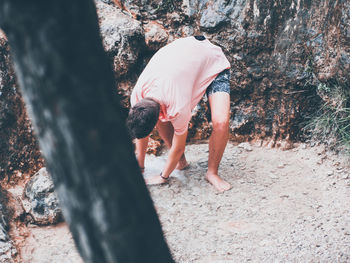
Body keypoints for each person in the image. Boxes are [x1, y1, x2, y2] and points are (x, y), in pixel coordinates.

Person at [127, 36, 231, 192]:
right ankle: (180, 163)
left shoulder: (178, 106)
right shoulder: (137, 96)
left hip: (213, 62)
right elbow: (141, 132)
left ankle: (212, 173)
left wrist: (163, 177)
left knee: (221, 122)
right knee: (160, 117)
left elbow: (179, 146)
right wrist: (140, 166)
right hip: (185, 60)